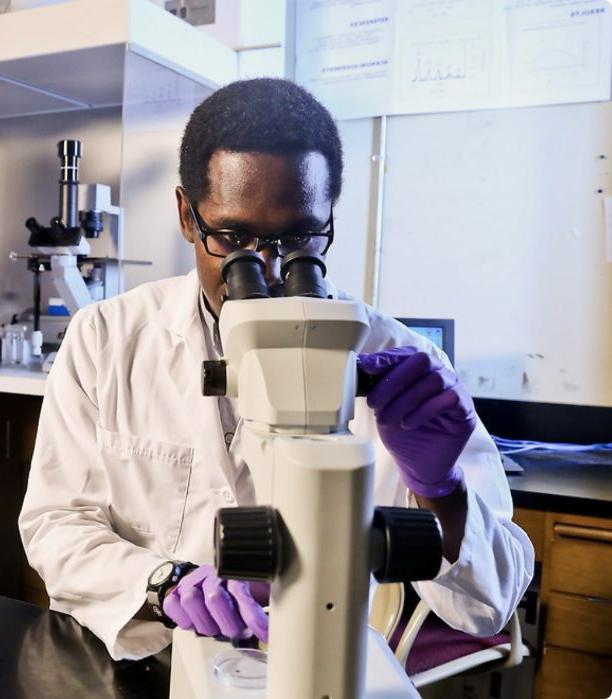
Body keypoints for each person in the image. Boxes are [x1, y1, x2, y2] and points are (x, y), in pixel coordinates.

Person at [19, 78, 534, 661]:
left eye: (298, 239)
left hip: (320, 664)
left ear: (329, 218)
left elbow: (493, 601)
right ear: (188, 216)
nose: (263, 270)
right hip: (150, 660)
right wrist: (163, 583)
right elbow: (55, 525)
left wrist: (444, 495)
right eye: (234, 238)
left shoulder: (405, 360)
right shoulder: (107, 339)